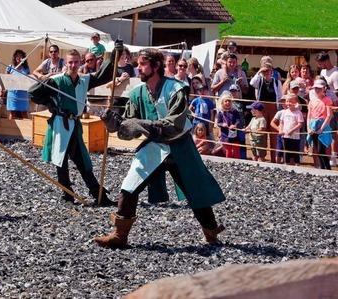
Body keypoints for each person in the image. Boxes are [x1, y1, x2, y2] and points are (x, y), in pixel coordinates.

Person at [96, 48, 225, 249]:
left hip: (179, 146)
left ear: (156, 66)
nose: (138, 68)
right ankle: (120, 235)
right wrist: (112, 123)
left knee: (195, 190)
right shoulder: (137, 92)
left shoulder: (176, 89)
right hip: (154, 147)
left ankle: (211, 232)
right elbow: (128, 129)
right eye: (138, 64)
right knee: (129, 187)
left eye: (143, 64)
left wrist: (140, 124)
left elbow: (174, 124)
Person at [28, 46, 121, 206]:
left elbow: (102, 75)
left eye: (76, 62)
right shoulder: (56, 80)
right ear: (66, 63)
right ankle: (67, 195)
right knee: (61, 161)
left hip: (75, 125)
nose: (73, 65)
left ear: (80, 63)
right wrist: (50, 100)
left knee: (83, 161)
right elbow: (33, 93)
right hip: (60, 124)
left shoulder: (84, 80)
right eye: (70, 62)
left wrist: (114, 56)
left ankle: (99, 196)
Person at [250, 62, 281, 161]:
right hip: (262, 110)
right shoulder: (259, 80)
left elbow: (279, 96)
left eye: (269, 70)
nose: (267, 72)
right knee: (261, 133)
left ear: (272, 71)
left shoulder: (276, 82)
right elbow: (252, 83)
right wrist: (259, 71)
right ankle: (261, 156)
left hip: (273, 109)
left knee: (274, 134)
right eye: (265, 70)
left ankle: (274, 158)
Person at [271, 94, 304, 165]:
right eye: (287, 101)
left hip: (295, 137)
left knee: (295, 152)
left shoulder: (298, 113)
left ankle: (296, 165)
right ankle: (286, 165)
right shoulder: (284, 112)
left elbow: (300, 124)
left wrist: (291, 130)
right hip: (285, 136)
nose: (288, 103)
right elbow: (281, 122)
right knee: (286, 152)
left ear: (296, 103)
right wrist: (280, 130)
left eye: (291, 101)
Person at [307, 79, 333, 170]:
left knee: (321, 149)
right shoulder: (312, 101)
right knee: (318, 150)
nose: (317, 90)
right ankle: (323, 169)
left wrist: (321, 129)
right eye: (316, 88)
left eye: (319, 88)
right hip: (313, 125)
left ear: (324, 89)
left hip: (323, 126)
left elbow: (329, 116)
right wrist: (308, 128)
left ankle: (328, 169)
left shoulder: (327, 100)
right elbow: (309, 116)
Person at [216, 91, 243, 159]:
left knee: (236, 149)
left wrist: (235, 125)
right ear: (222, 102)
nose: (228, 103)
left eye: (229, 101)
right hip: (225, 134)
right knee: (228, 150)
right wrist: (223, 124)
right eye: (226, 101)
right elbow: (218, 123)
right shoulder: (220, 113)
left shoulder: (234, 111)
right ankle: (229, 162)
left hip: (235, 133)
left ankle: (237, 162)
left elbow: (238, 120)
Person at [5, 49, 30, 119]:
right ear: (14, 57)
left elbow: (28, 80)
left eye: (20, 56)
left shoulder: (26, 68)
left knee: (24, 113)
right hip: (13, 93)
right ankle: (10, 128)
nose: (18, 58)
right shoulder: (10, 67)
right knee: (12, 113)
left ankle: (26, 129)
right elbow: (6, 79)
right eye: (17, 56)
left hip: (23, 94)